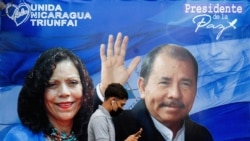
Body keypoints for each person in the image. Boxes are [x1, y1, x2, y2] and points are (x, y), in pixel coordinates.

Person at [95, 32, 214, 141]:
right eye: (164, 82)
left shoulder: (201, 136)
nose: (175, 94)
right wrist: (106, 91)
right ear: (142, 87)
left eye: (185, 84)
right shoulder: (117, 127)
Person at [3, 47, 94, 141]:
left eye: (73, 82)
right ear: (39, 91)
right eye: (52, 84)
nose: (64, 92)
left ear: (84, 88)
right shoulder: (19, 138)